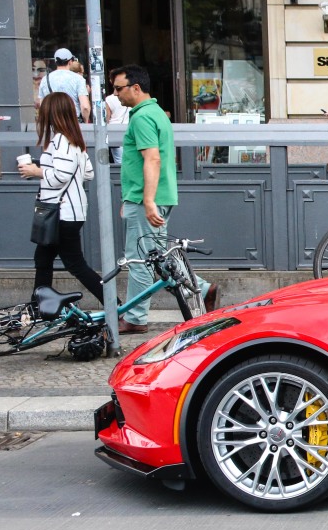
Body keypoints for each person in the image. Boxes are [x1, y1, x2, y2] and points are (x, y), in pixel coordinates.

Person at [115, 65, 216, 334]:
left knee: (139, 258)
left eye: (118, 89)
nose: (115, 95)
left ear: (135, 88)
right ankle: (203, 288)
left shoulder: (142, 118)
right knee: (157, 257)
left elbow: (152, 158)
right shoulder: (156, 113)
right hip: (155, 195)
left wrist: (146, 200)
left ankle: (135, 317)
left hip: (148, 197)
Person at [17, 92, 104, 304]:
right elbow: (88, 172)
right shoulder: (73, 139)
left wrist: (36, 171)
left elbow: (60, 176)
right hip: (66, 212)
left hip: (62, 212)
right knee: (43, 259)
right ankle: (38, 309)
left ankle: (114, 304)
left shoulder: (61, 140)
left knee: (75, 264)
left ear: (52, 113)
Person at [37, 48, 91, 123]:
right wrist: (85, 121)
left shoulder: (45, 79)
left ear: (56, 62)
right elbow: (85, 107)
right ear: (70, 62)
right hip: (74, 122)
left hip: (54, 122)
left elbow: (42, 105)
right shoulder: (78, 79)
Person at [104, 67, 131, 163]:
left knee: (118, 161)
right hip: (128, 129)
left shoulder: (109, 99)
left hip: (113, 131)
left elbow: (106, 118)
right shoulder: (131, 97)